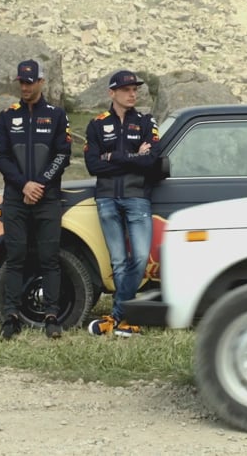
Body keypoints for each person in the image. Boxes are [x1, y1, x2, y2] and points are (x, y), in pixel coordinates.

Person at [0, 59, 71, 340]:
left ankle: (52, 315)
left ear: (41, 82)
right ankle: (11, 316)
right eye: (21, 82)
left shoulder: (57, 115)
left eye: (30, 82)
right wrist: (24, 185)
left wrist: (39, 184)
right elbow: (0, 156)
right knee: (15, 257)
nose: (25, 87)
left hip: (47, 198)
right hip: (15, 198)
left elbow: (62, 155)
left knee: (49, 258)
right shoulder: (7, 116)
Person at [84, 69, 160, 337]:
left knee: (139, 258)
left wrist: (112, 158)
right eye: (127, 89)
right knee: (118, 261)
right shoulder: (96, 124)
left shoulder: (146, 122)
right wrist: (131, 156)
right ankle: (126, 321)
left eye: (135, 89)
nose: (133, 93)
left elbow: (151, 161)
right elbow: (92, 164)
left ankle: (118, 315)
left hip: (137, 198)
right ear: (112, 93)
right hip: (106, 199)